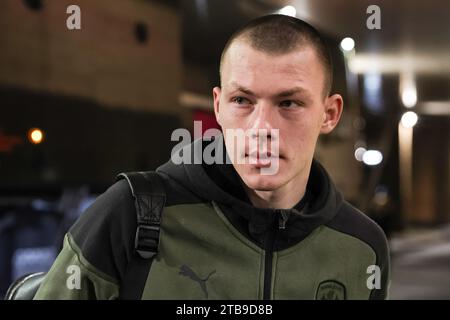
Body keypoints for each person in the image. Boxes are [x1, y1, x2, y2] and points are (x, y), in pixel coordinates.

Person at [34, 14, 390, 300]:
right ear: (218, 106)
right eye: (242, 101)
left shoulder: (361, 248)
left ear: (329, 114)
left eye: (289, 103)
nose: (261, 127)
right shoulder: (131, 216)